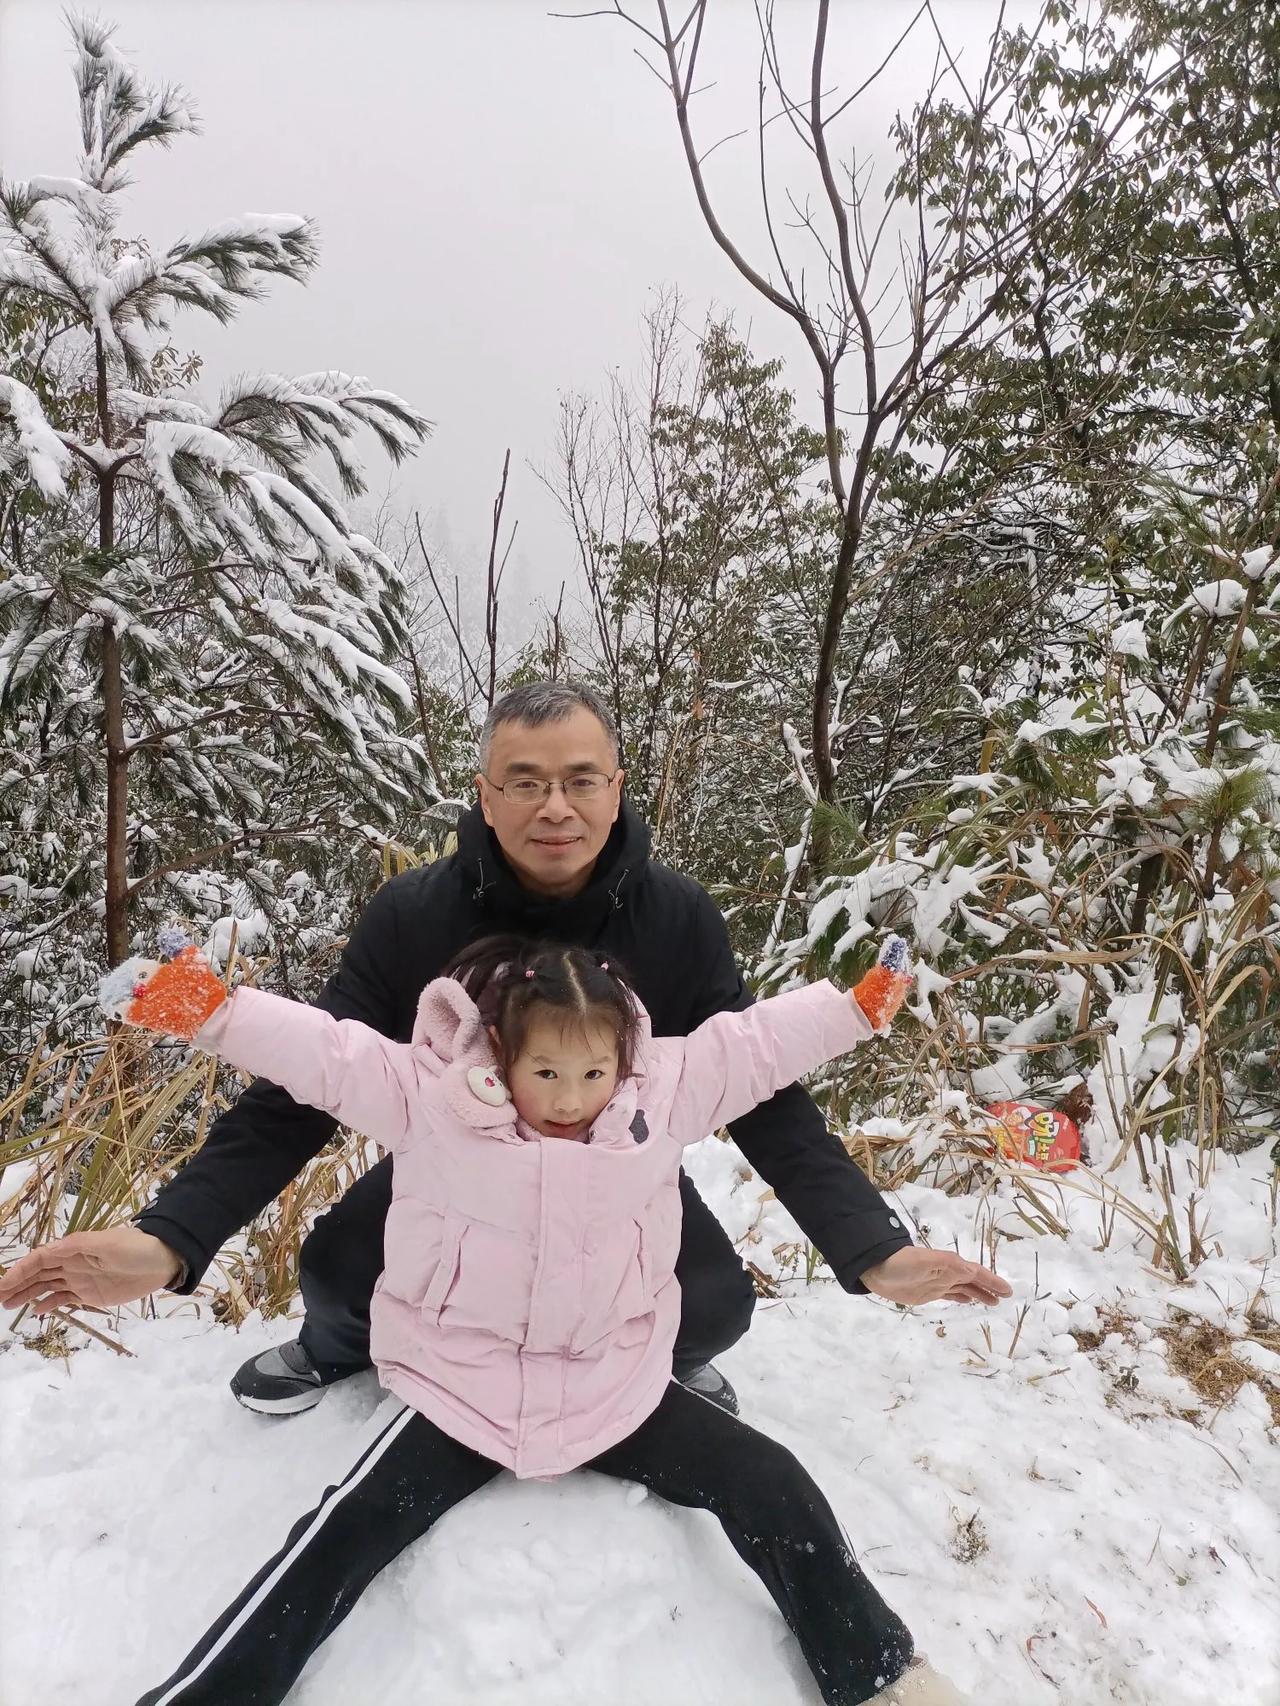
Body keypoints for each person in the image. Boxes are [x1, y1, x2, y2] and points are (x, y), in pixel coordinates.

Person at [0, 682, 1009, 1417]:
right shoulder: (412, 913)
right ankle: (338, 1353)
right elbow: (307, 1086)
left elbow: (760, 1088)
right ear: (485, 794)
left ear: (616, 789)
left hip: (618, 1182)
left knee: (711, 1302)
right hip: (454, 1174)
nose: (553, 806)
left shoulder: (677, 919)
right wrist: (170, 1235)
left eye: (578, 778)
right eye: (523, 781)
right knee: (340, 1273)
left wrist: (868, 1245)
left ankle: (643, 1354)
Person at [112, 927, 967, 1705]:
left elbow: (758, 1045)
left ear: (624, 1058)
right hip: (463, 1386)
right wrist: (211, 1007)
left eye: (594, 1074)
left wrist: (855, 1008)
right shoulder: (432, 1099)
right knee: (341, 1531)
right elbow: (325, 1055)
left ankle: (881, 1676)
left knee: (774, 1484)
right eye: (546, 1075)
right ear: (501, 1055)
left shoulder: (658, 1093)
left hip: (612, 1381)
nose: (570, 1099)